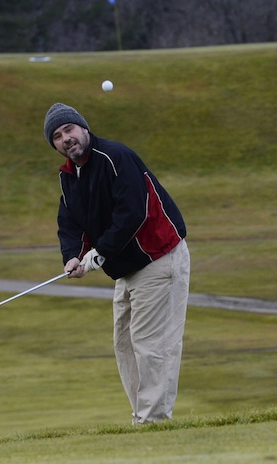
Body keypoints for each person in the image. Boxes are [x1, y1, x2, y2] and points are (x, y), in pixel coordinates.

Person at [43, 102, 190, 424]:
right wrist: (72, 257)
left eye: (69, 129)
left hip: (157, 255)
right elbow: (69, 222)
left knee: (151, 343)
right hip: (126, 267)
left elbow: (132, 213)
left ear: (83, 128)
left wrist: (99, 254)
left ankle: (153, 420)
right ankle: (143, 415)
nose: (66, 138)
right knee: (125, 343)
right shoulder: (69, 176)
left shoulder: (115, 157)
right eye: (57, 136)